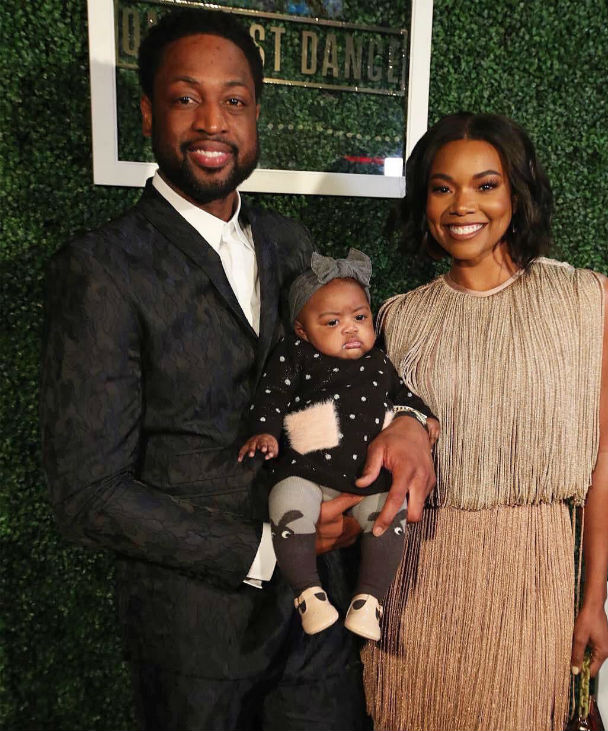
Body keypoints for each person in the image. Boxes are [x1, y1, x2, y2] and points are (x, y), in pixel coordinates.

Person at [39, 8, 435, 731]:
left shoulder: (293, 245)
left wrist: (408, 422)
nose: (212, 122)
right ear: (149, 111)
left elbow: (354, 365)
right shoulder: (100, 269)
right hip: (194, 641)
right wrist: (264, 549)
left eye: (235, 100)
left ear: (256, 115)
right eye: (187, 98)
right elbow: (87, 493)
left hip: (319, 638)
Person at [361, 112, 608, 731]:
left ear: (517, 192)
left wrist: (593, 599)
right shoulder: (401, 320)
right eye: (442, 187)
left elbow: (603, 455)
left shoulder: (589, 300)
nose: (462, 205)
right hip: (418, 584)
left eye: (485, 184)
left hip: (535, 579)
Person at [239, 249, 438, 641]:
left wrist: (419, 419)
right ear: (302, 330)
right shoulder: (296, 355)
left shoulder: (380, 364)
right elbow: (270, 396)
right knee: (287, 504)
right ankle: (308, 594)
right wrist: (263, 432)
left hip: (366, 479)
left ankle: (370, 600)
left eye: (360, 318)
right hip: (306, 471)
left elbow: (405, 399)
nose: (350, 329)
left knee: (388, 516)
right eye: (332, 322)